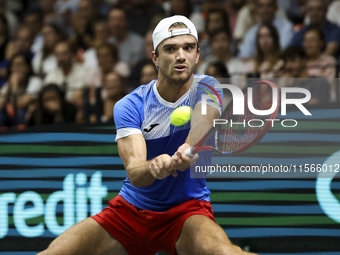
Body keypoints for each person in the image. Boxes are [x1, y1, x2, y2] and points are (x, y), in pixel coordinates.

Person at [37, 15, 257, 255]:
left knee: (225, 253)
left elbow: (202, 125)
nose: (180, 55)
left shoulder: (209, 86)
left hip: (186, 212)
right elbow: (135, 172)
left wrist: (187, 148)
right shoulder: (130, 105)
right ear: (155, 57)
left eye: (188, 47)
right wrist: (154, 166)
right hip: (131, 212)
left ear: (197, 55)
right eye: (170, 49)